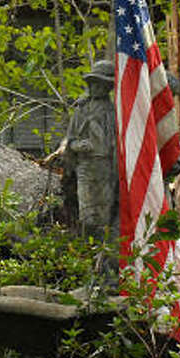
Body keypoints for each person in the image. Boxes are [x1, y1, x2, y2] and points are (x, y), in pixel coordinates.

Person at [65, 59, 118, 241]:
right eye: (94, 83)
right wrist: (80, 146)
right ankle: (87, 248)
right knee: (87, 213)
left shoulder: (113, 111)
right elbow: (70, 141)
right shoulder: (81, 110)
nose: (97, 88)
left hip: (106, 167)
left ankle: (102, 251)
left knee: (105, 213)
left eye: (102, 84)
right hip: (86, 167)